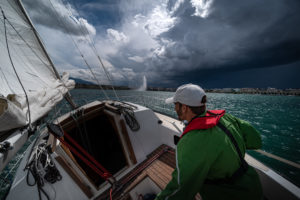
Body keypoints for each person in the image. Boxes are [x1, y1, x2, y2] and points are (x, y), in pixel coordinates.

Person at [155, 84, 263, 200]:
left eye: (175, 104)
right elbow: (256, 140)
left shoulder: (191, 141)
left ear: (184, 107)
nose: (175, 108)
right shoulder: (227, 118)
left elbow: (180, 189)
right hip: (253, 186)